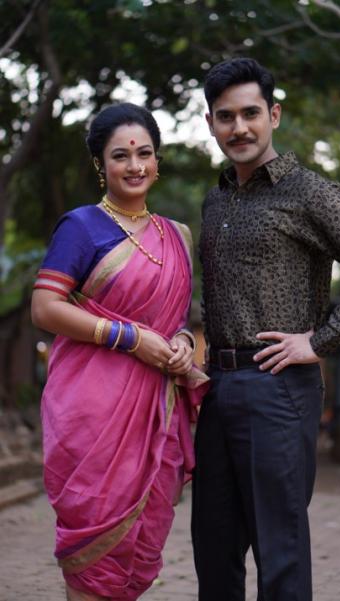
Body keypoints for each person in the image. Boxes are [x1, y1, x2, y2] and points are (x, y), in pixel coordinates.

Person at [191, 57, 340, 601]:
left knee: (279, 553)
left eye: (251, 113)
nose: (239, 127)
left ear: (274, 115)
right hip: (217, 388)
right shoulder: (216, 199)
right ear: (210, 123)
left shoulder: (308, 192)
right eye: (226, 117)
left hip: (278, 388)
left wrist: (321, 340)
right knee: (213, 549)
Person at [31, 102, 208, 601]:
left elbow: (176, 319)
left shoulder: (177, 236)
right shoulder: (81, 226)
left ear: (158, 160)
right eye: (120, 156)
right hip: (94, 413)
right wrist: (130, 338)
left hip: (156, 411)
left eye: (144, 153)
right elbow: (45, 307)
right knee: (95, 553)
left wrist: (182, 344)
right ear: (100, 164)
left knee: (139, 548)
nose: (135, 166)